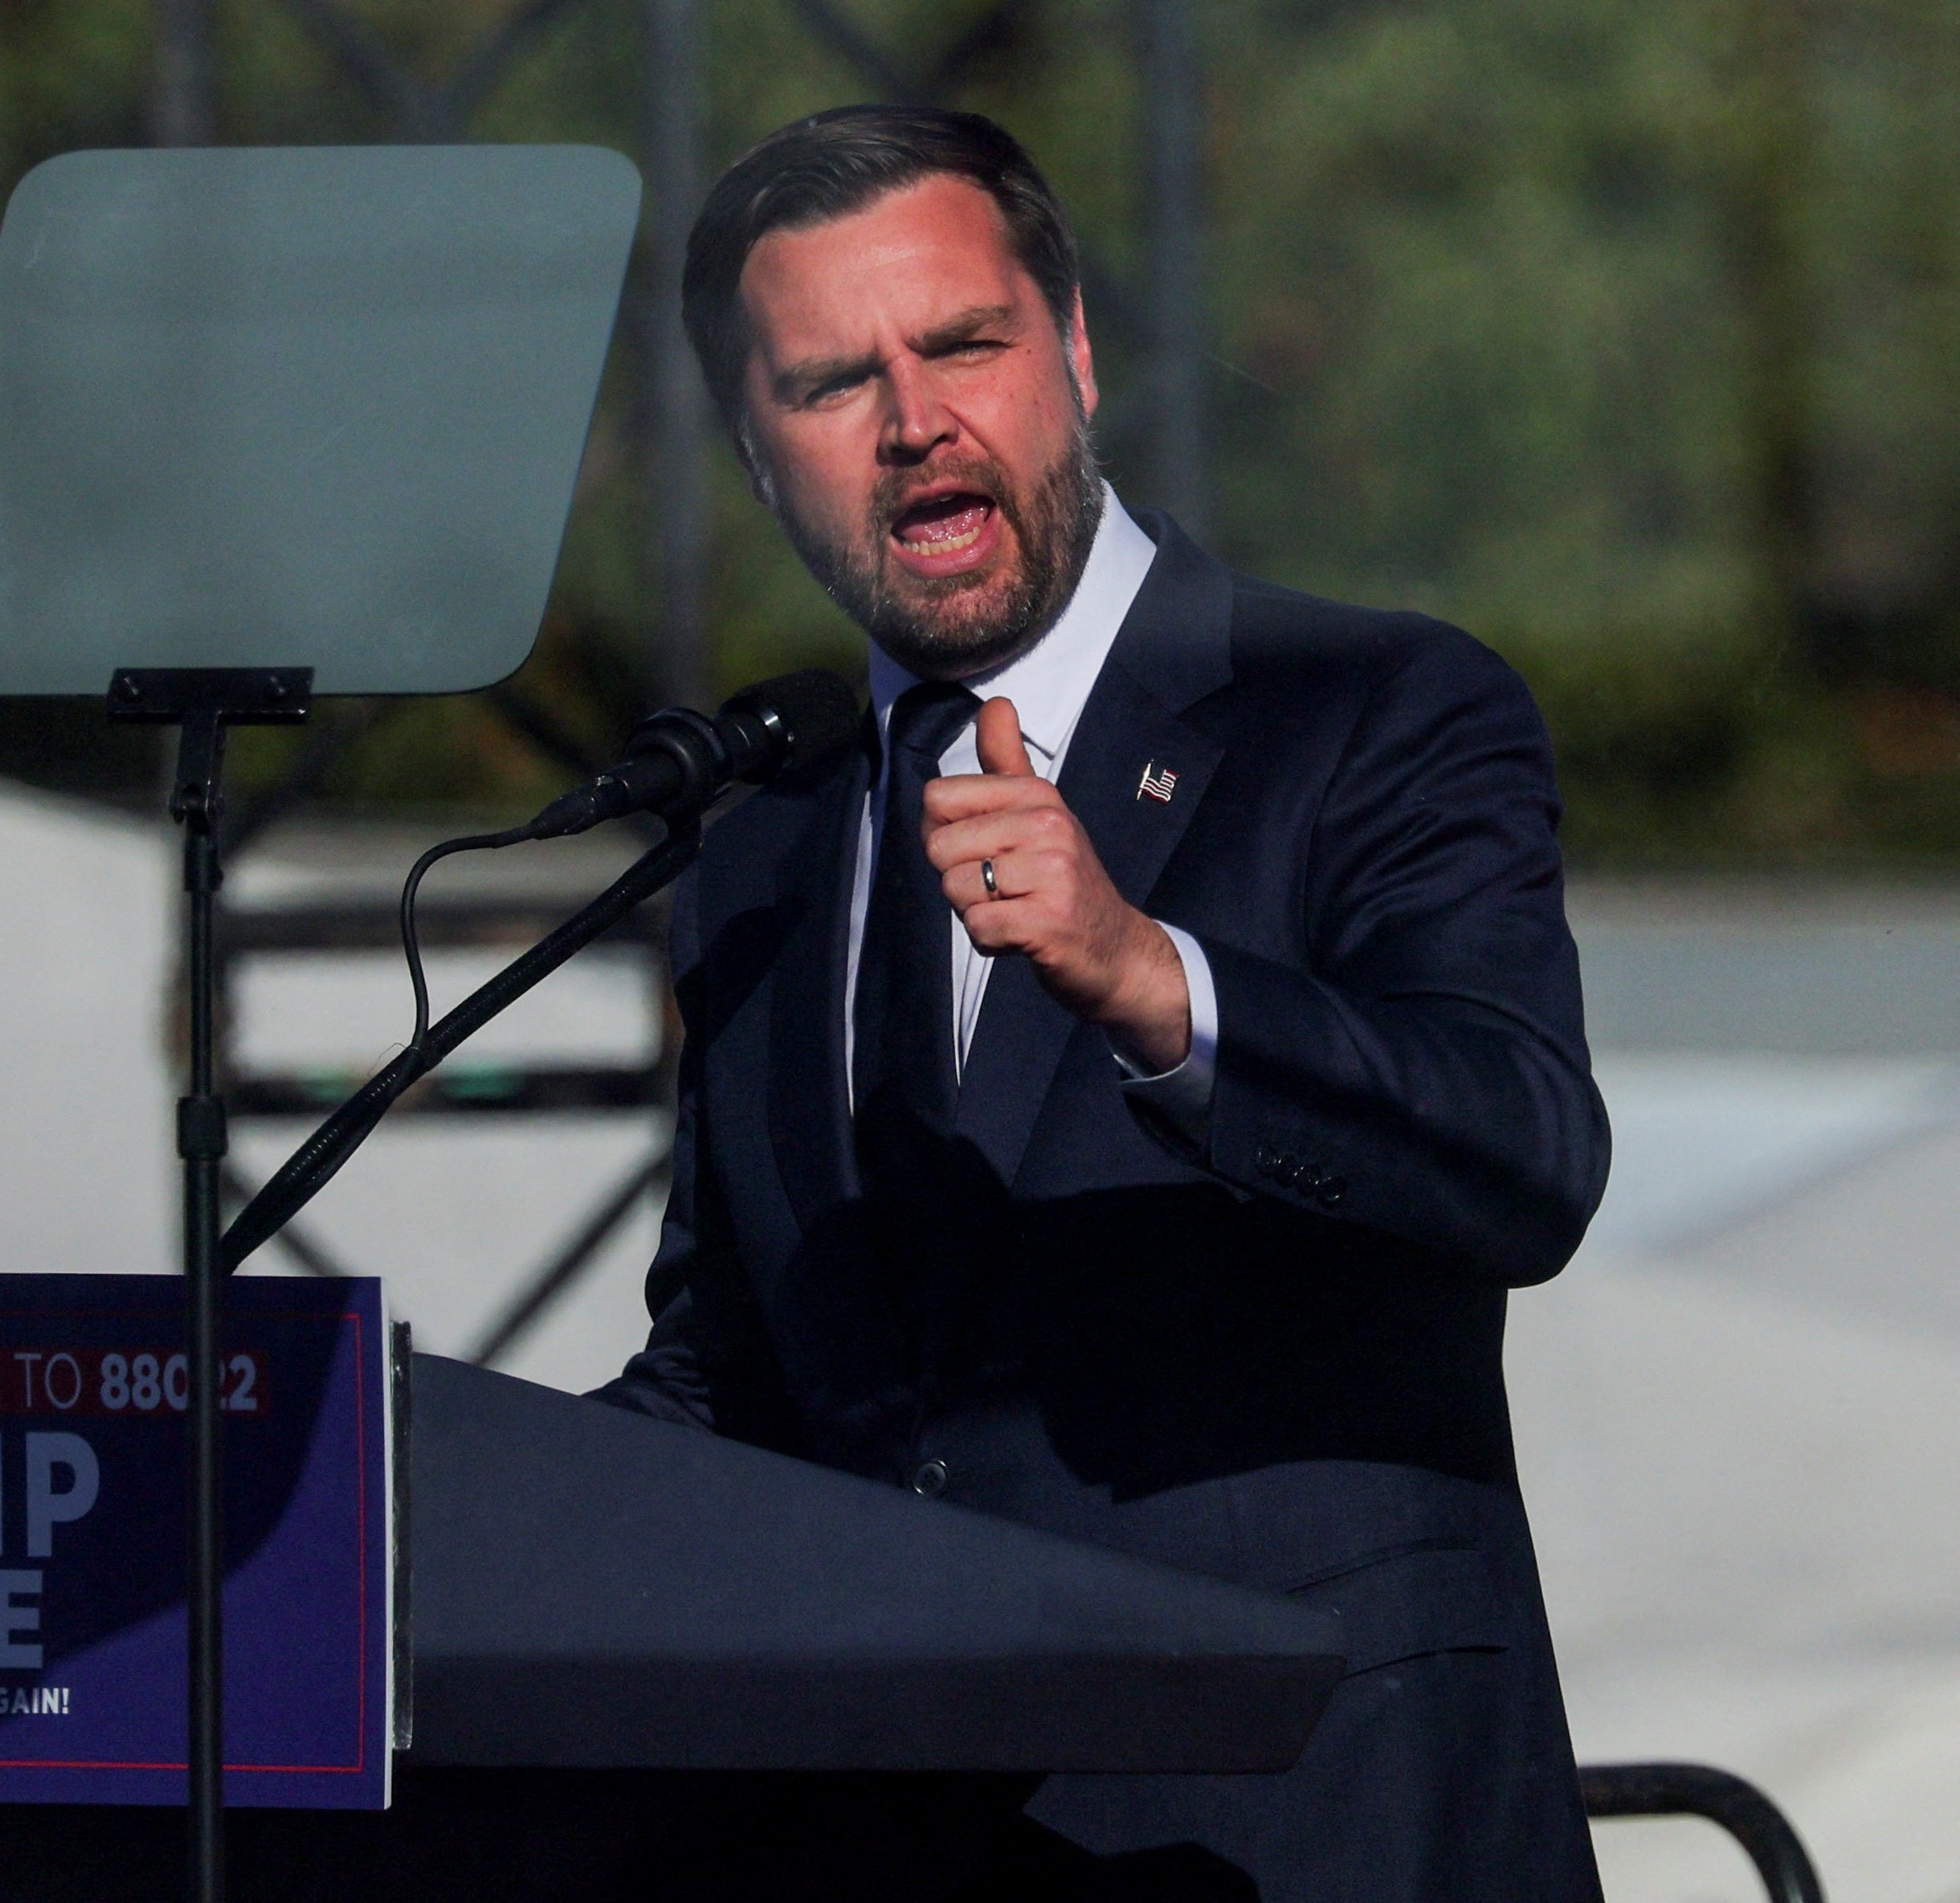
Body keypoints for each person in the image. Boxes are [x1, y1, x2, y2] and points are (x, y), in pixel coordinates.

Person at [593, 104, 1612, 1901]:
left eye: (961, 344)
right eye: (832, 383)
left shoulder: (1367, 707)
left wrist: (1154, 982)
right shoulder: (759, 846)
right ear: (756, 454)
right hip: (906, 1835)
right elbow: (739, 1387)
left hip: (1310, 1826)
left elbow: (1519, 1152)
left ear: (1068, 351)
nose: (913, 422)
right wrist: (373, 1498)